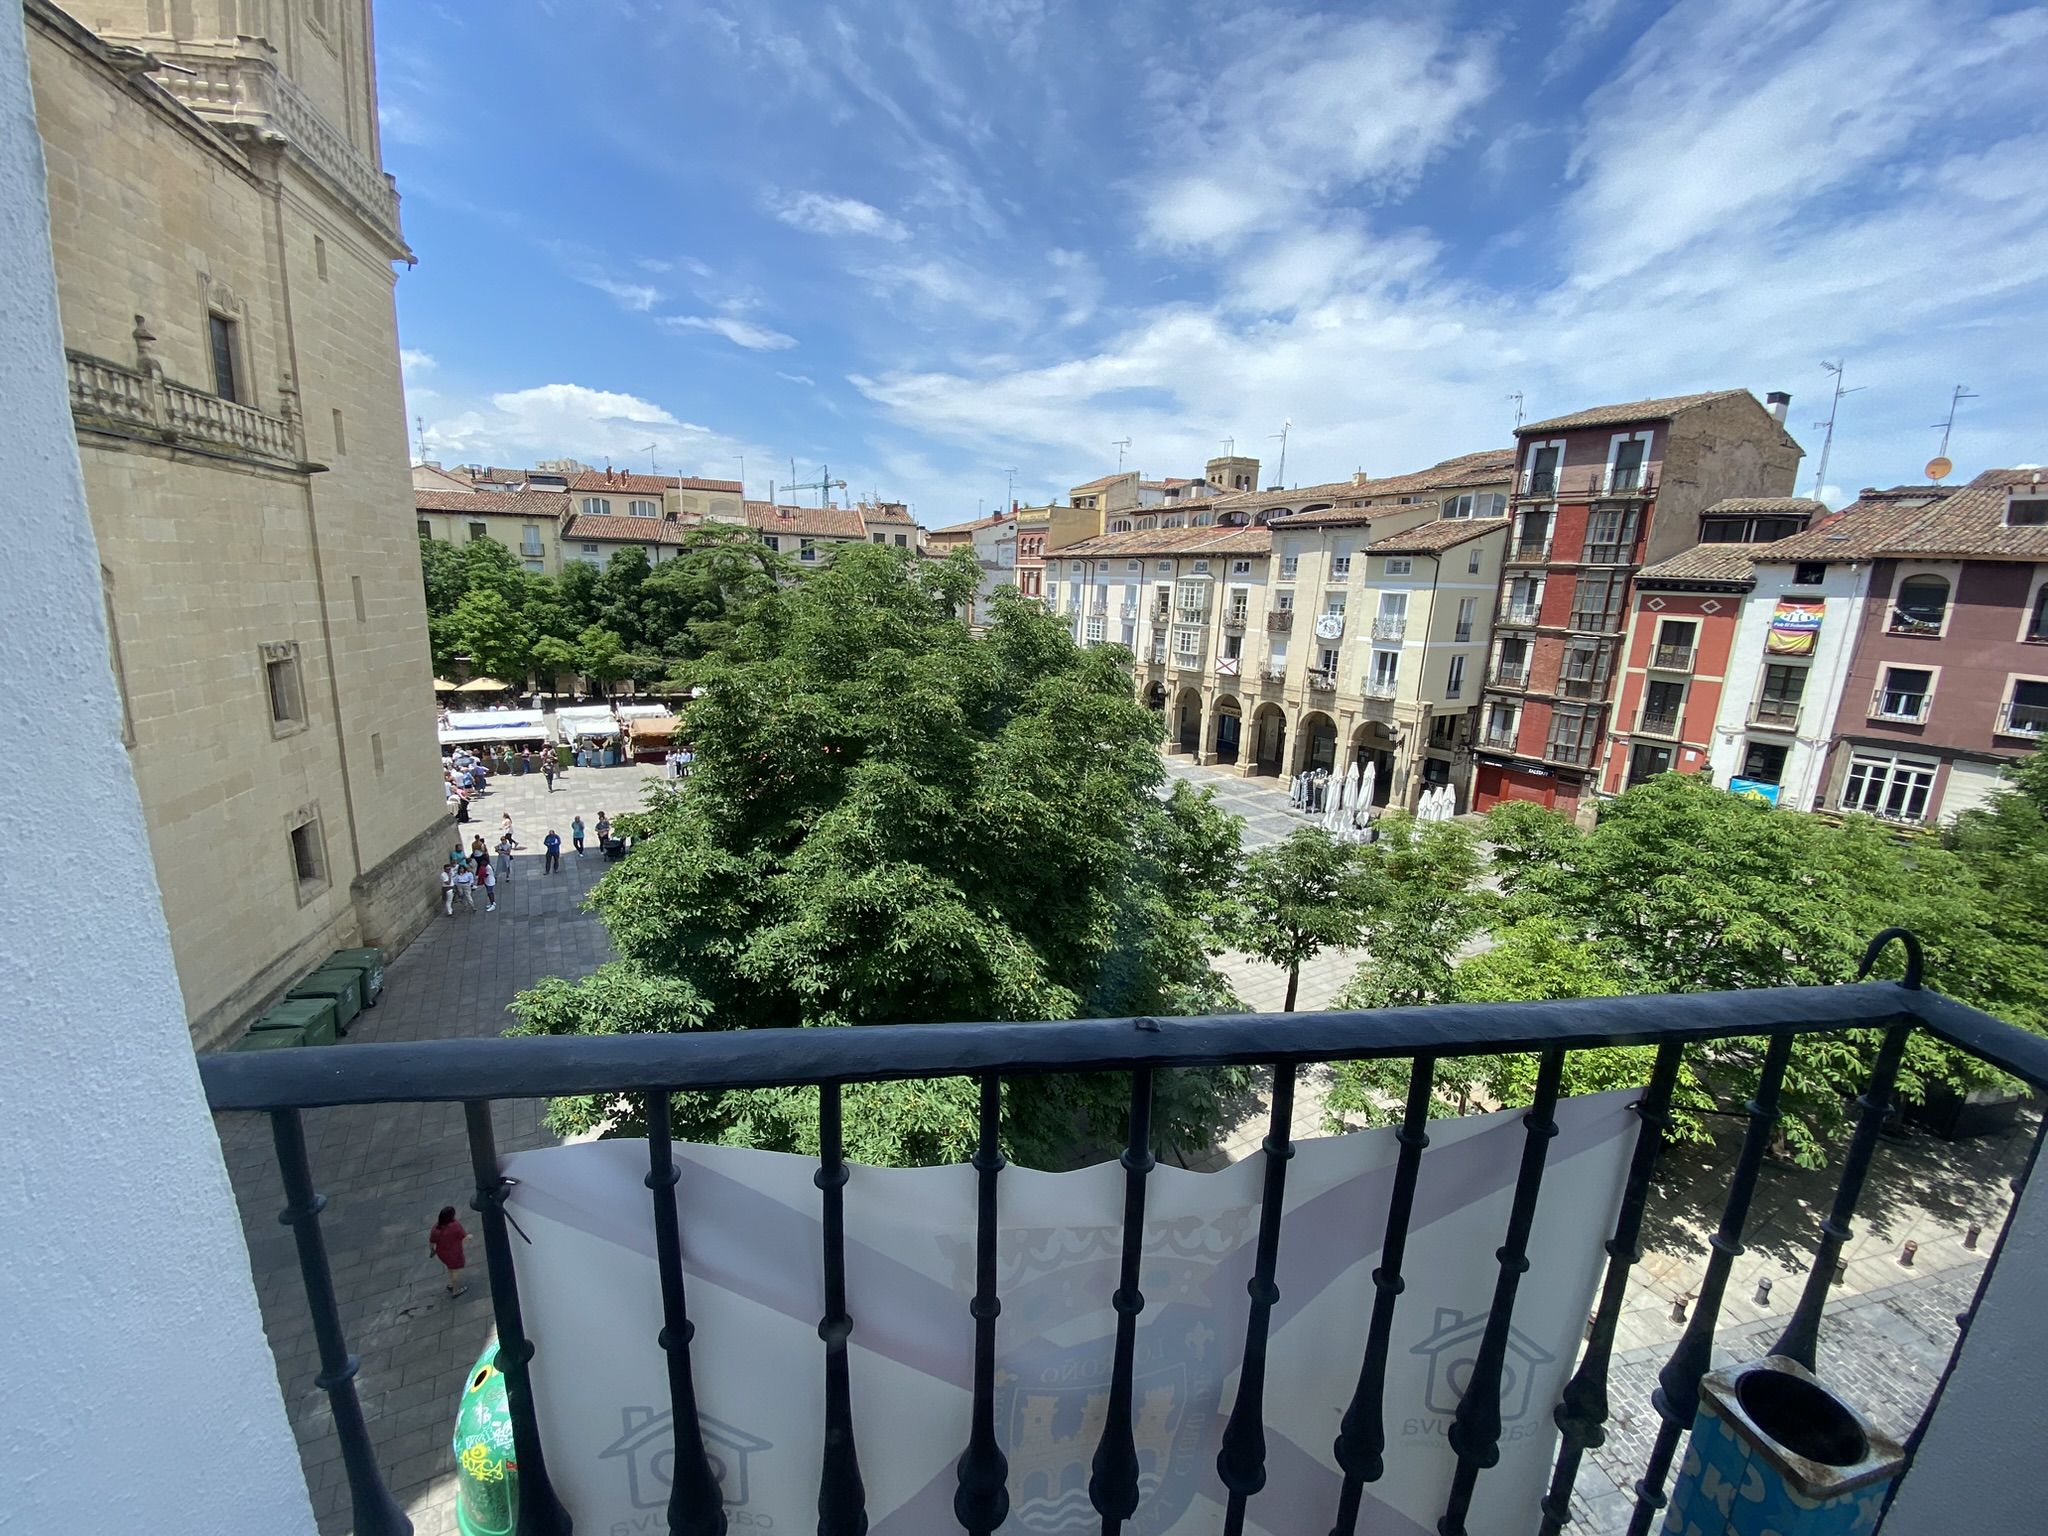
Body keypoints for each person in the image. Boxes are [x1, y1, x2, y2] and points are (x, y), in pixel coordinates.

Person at [429, 1205, 469, 1298]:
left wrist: (432, 1251)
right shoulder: (455, 1226)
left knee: (450, 1267)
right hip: (454, 1253)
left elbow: (432, 1243)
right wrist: (469, 1237)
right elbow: (464, 1237)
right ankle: (456, 1290)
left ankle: (451, 1284)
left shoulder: (436, 1228)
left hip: (442, 1253)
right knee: (456, 1271)